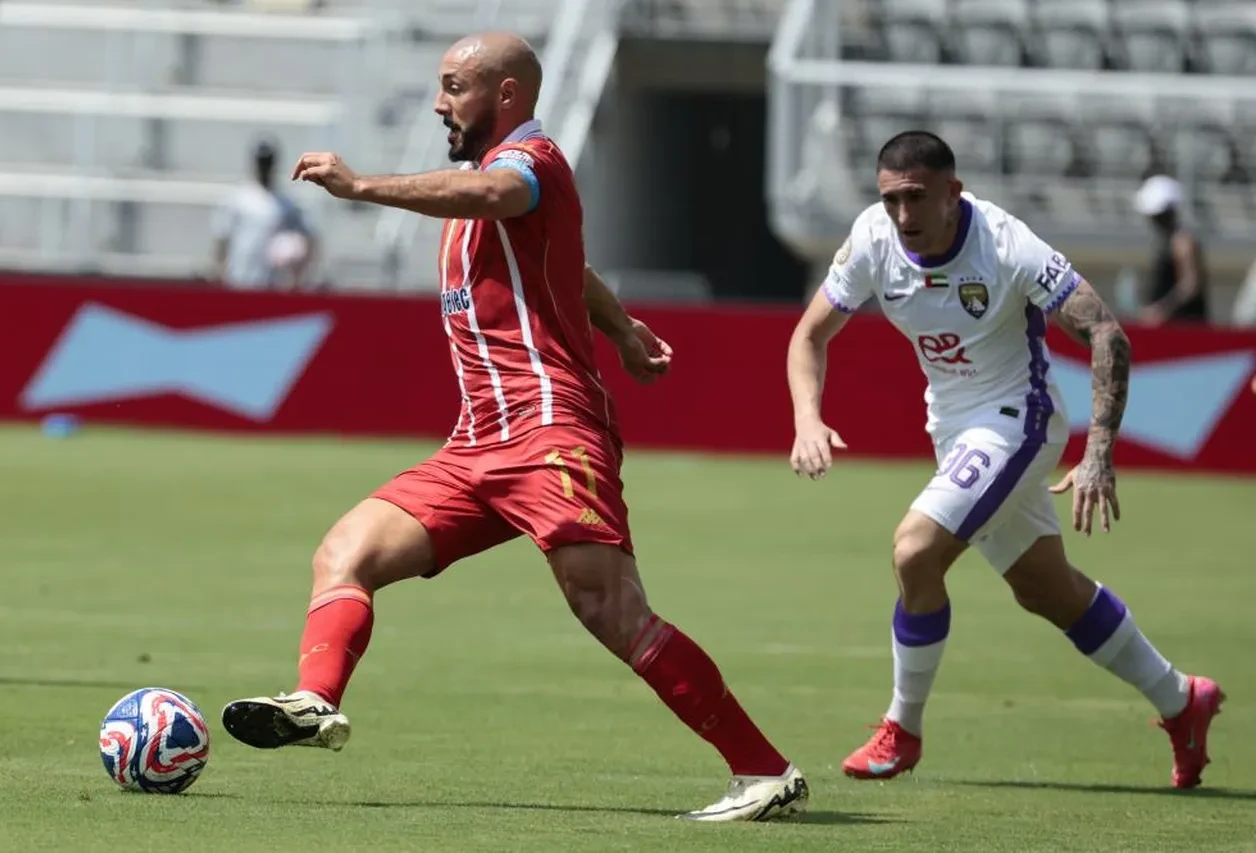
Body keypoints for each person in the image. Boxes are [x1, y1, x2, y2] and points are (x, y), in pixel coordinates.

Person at [219, 32, 808, 823]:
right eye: (438, 84)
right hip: (475, 444)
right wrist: (625, 328)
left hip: (550, 430)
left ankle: (765, 770)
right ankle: (314, 700)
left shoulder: (533, 162)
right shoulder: (480, 186)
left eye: (454, 86)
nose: (438, 102)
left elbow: (500, 196)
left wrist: (360, 188)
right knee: (345, 551)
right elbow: (572, 265)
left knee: (610, 609)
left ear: (505, 95)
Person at [786, 131, 1224, 789]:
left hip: (1018, 419)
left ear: (952, 193)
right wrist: (807, 418)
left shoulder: (1005, 243)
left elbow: (1106, 331)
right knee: (1046, 589)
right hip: (955, 430)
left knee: (914, 551)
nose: (903, 215)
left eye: (916, 198)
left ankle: (901, 728)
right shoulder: (874, 238)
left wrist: (1100, 449)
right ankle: (1180, 698)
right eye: (891, 199)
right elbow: (809, 335)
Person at [211, 139, 317, 289]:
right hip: (240, 278)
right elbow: (222, 238)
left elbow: (308, 238)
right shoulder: (237, 199)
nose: (264, 167)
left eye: (267, 162)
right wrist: (220, 273)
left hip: (275, 283)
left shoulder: (288, 202)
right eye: (262, 162)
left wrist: (298, 277)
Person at [1133, 174, 1209, 326]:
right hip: (1168, 323)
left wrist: (1162, 309)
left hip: (1185, 324)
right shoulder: (1167, 241)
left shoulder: (1182, 241)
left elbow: (1191, 285)